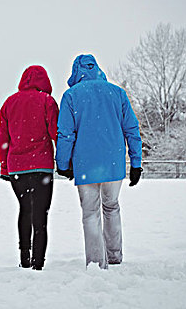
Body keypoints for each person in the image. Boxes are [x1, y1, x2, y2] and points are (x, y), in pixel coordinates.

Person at [55, 54, 142, 270]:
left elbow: (65, 134)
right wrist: (136, 162)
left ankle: (96, 261)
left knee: (90, 212)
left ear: (76, 72)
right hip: (113, 163)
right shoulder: (117, 93)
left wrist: (63, 164)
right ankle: (114, 256)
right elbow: (131, 129)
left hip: (86, 165)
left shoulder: (71, 96)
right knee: (111, 207)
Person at [0, 65, 59, 271]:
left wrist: (5, 167)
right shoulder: (47, 102)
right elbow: (56, 133)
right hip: (41, 166)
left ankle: (24, 256)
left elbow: (3, 140)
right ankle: (38, 262)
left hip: (17, 168)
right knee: (40, 213)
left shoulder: (9, 103)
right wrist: (66, 161)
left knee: (25, 210)